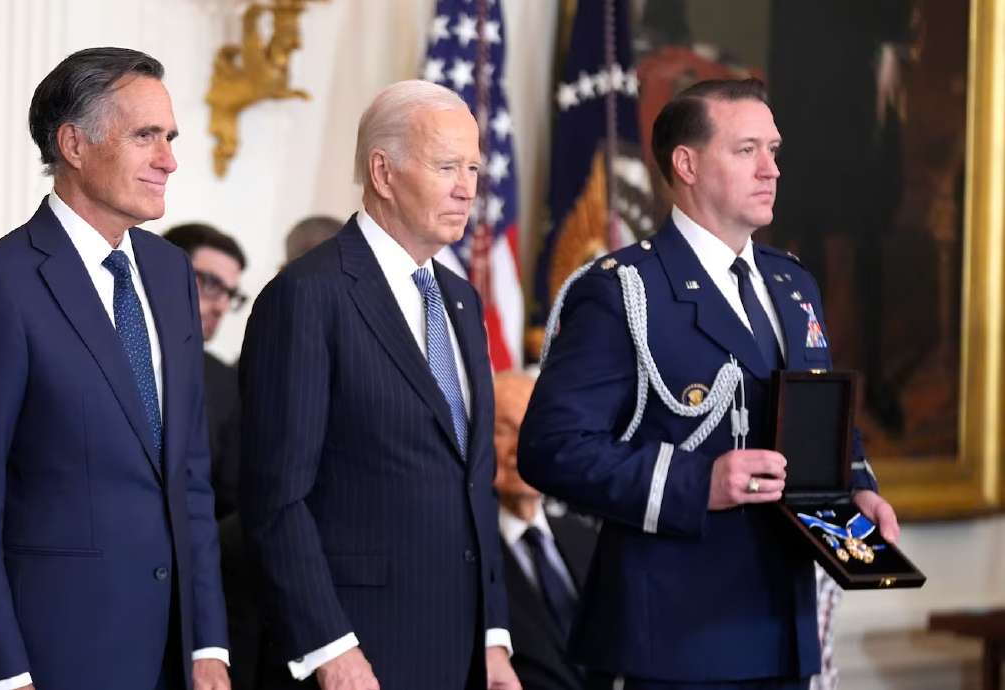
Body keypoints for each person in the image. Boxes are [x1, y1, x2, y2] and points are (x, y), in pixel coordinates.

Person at [518, 79, 901, 690]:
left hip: (784, 625)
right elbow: (550, 448)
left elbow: (817, 418)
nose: (771, 169)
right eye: (747, 150)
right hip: (674, 636)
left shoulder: (792, 282)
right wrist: (700, 482)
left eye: (774, 150)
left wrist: (857, 490)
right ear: (687, 163)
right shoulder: (623, 288)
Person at [0, 47, 229, 690]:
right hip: (45, 657)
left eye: (170, 138)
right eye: (146, 136)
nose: (170, 159)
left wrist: (208, 646)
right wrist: (1, 674)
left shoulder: (172, 274)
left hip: (170, 656)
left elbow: (191, 479)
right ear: (74, 144)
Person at [239, 80, 521, 690]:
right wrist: (328, 648)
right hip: (354, 654)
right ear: (383, 172)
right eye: (446, 166)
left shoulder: (461, 301)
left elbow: (474, 486)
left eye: (472, 167)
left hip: (461, 652)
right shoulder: (308, 295)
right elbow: (276, 498)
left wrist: (493, 637)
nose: (467, 187)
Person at [493, 372, 595, 690]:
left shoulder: (588, 539)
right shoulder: (465, 554)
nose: (519, 448)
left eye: (531, 429)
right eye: (503, 430)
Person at [162, 222, 249, 519]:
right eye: (211, 285)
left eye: (231, 295)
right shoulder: (102, 349)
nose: (222, 307)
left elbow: (226, 501)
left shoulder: (227, 384)